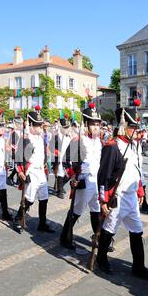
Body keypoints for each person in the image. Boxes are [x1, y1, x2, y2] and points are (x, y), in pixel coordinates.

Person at [96, 100, 148, 281]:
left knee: (137, 231)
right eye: (132, 127)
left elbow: (136, 171)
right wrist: (103, 200)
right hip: (116, 196)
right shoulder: (112, 146)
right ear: (123, 126)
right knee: (109, 229)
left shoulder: (133, 145)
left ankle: (138, 267)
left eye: (136, 127)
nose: (135, 130)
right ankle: (101, 259)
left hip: (131, 197)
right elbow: (103, 176)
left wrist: (140, 191)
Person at [60, 103, 103, 250]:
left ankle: (97, 237)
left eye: (98, 123)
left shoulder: (98, 140)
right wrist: (72, 177)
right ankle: (65, 237)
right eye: (93, 123)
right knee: (76, 211)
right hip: (83, 180)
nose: (96, 126)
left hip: (96, 180)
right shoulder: (78, 140)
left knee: (96, 211)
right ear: (86, 123)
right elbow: (66, 160)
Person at [13, 109, 55, 234]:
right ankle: (18, 218)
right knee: (29, 199)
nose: (40, 127)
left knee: (44, 198)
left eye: (40, 124)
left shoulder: (40, 138)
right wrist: (20, 171)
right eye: (37, 124)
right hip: (30, 171)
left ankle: (42, 223)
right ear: (31, 124)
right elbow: (18, 157)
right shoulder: (25, 138)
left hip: (40, 170)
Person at [52, 115, 72, 199]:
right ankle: (59, 191)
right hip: (59, 158)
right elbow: (52, 147)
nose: (67, 129)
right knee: (60, 173)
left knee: (69, 174)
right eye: (65, 128)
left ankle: (60, 186)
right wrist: (57, 153)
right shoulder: (57, 136)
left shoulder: (69, 136)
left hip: (68, 158)